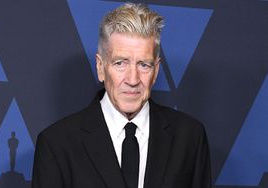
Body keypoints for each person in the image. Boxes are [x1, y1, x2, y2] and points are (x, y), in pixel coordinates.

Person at [32, 3, 211, 188]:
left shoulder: (190, 137)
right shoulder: (57, 144)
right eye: (120, 63)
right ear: (101, 68)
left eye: (144, 65)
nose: (133, 80)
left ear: (156, 71)